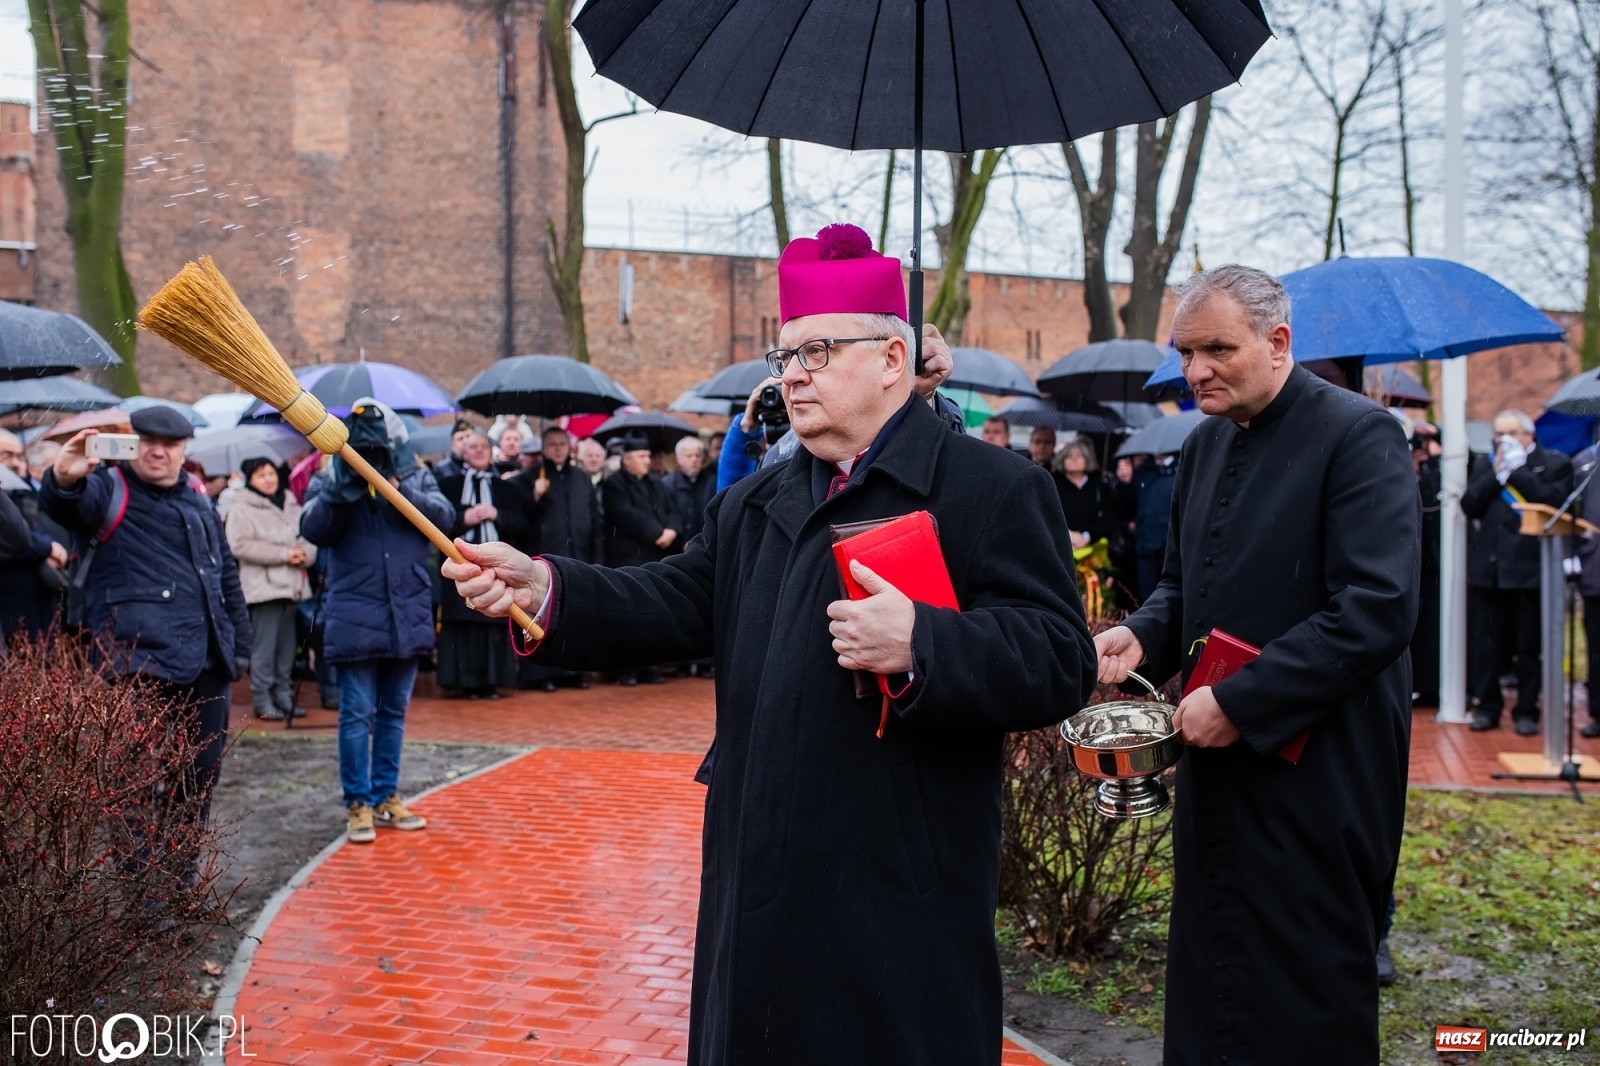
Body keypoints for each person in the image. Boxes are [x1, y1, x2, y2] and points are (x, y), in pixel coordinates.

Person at [442, 222, 1095, 1066]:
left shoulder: (993, 490)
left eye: (817, 351)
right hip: (757, 872)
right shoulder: (755, 500)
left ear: (892, 360)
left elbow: (1059, 659)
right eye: (784, 356)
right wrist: (547, 587)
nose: (792, 374)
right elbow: (676, 600)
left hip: (894, 898)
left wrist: (926, 641)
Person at [1094, 265, 1418, 1066]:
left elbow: (1376, 605)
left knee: (1304, 983)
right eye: (1185, 352)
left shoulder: (1359, 434)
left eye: (1216, 350)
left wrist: (1242, 700)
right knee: (1216, 962)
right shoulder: (1204, 445)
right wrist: (1144, 636)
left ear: (1278, 343)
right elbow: (1183, 584)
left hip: (1321, 764)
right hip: (1220, 758)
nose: (1196, 370)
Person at [42, 407, 253, 855]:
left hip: (207, 663)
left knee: (199, 776)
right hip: (136, 663)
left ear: (183, 449)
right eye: (148, 441)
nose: (158, 451)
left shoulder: (198, 498)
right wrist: (64, 476)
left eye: (170, 444)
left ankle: (180, 882)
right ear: (131, 442)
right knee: (134, 782)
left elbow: (224, 576)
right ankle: (144, 897)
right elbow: (66, 503)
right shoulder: (107, 489)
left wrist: (240, 642)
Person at [300, 400, 452, 844]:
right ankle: (357, 804)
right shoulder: (332, 475)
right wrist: (342, 485)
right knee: (356, 715)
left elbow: (442, 520)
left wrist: (397, 484)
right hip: (355, 616)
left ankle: (386, 796)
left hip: (406, 612)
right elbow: (313, 529)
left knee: (393, 715)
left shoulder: (414, 473)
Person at [1461, 409, 1573, 734]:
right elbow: (1470, 505)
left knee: (1527, 647)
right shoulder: (1486, 464)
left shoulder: (1553, 463)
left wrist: (1519, 471)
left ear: (1529, 434)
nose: (1504, 440)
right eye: (1499, 434)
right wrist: (1495, 476)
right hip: (1490, 571)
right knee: (1487, 645)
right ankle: (1488, 707)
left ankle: (1526, 711)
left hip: (1530, 573)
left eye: (1512, 433)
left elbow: (1554, 502)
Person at [435, 430, 528, 698]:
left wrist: (496, 514)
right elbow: (439, 522)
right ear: (464, 452)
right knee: (464, 625)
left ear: (491, 451)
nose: (478, 451)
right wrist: (466, 518)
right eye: (472, 447)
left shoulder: (506, 488)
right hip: (460, 566)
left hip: (495, 566)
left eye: (483, 447)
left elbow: (521, 524)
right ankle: (465, 682)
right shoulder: (449, 485)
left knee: (492, 620)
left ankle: (490, 681)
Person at [225, 457, 317, 720]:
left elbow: (308, 537)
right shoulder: (241, 508)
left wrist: (304, 555)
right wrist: (284, 554)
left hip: (293, 586)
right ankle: (263, 698)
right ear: (250, 480)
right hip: (263, 588)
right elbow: (239, 545)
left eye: (271, 473)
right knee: (264, 647)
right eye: (261, 475)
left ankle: (284, 695)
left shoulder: (290, 504)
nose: (268, 479)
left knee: (287, 647)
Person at [0, 429, 68, 641]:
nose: (15, 462)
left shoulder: (24, 495)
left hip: (35, 598)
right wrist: (47, 548)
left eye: (19, 455)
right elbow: (18, 540)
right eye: (6, 455)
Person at [1570, 442, 1600, 738]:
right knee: (1596, 647)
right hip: (1595, 570)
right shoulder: (1585, 462)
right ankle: (1598, 712)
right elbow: (1571, 511)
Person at [1055, 438, 1114, 550]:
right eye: (1069, 456)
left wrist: (1088, 536)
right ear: (1062, 460)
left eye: (1079, 455)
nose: (1074, 459)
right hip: (1062, 547)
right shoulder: (1054, 486)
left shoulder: (1099, 486)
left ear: (1087, 459)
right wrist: (1069, 535)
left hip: (1094, 548)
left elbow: (1109, 516)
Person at [668, 436, 716, 545]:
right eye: (689, 456)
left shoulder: (712, 482)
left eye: (697, 456)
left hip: (704, 545)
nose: (694, 460)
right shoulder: (668, 484)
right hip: (674, 548)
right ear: (678, 459)